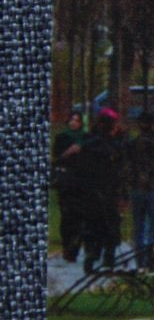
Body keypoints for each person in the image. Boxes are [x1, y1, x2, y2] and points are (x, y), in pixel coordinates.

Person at [77, 110, 126, 272]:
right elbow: (120, 171)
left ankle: (92, 254)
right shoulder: (115, 147)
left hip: (91, 192)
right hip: (108, 192)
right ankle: (108, 258)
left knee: (92, 225)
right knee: (110, 225)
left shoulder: (88, 144)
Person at [125, 112, 154, 269]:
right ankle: (152, 259)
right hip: (152, 188)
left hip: (138, 189)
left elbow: (128, 166)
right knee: (153, 226)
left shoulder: (134, 143)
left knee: (139, 226)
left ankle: (142, 260)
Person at [52, 112, 87, 262]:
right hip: (66, 181)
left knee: (80, 216)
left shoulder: (86, 138)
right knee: (67, 216)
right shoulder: (62, 138)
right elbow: (56, 159)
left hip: (81, 181)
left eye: (77, 121)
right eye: (71, 120)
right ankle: (67, 246)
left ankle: (75, 246)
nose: (73, 123)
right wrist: (68, 152)